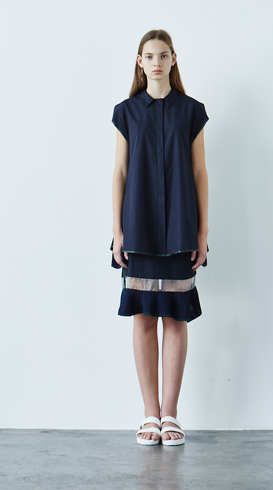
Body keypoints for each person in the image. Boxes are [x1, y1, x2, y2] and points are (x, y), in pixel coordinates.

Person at [110, 29, 209, 446]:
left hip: (182, 227)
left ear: (173, 59)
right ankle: (149, 414)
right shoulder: (126, 112)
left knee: (175, 317)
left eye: (163, 55)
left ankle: (170, 415)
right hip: (139, 226)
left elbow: (200, 172)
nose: (156, 62)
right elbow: (120, 172)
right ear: (139, 61)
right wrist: (117, 230)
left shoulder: (192, 111)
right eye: (149, 56)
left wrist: (203, 231)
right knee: (144, 317)